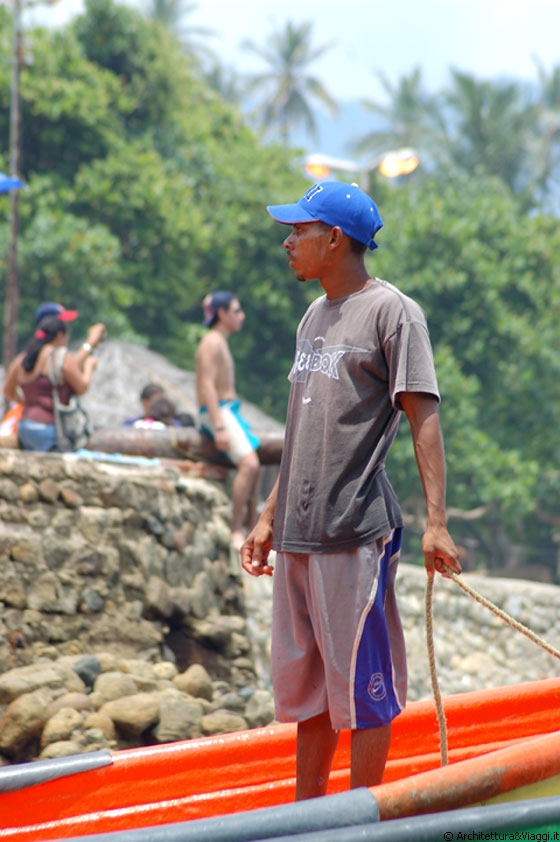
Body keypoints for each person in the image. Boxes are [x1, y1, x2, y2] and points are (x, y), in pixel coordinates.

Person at [241, 181, 462, 800]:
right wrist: (267, 514)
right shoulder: (313, 316)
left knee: (362, 693)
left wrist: (436, 523)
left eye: (298, 231)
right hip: (298, 533)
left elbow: (424, 418)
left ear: (334, 239)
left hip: (353, 530)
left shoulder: (395, 313)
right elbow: (303, 425)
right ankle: (305, 819)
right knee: (308, 696)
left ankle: (363, 821)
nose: (288, 243)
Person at [195, 290, 261, 550]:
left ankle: (252, 524)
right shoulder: (212, 341)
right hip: (218, 412)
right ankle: (237, 529)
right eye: (236, 311)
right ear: (222, 315)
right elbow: (206, 386)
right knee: (250, 464)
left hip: (227, 411)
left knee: (257, 461)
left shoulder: (219, 340)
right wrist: (219, 425)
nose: (241, 316)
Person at [3, 302, 106, 452]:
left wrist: (28, 402)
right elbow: (80, 385)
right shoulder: (59, 356)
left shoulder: (23, 358)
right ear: (58, 333)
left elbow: (7, 390)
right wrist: (89, 365)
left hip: (25, 426)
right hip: (49, 428)